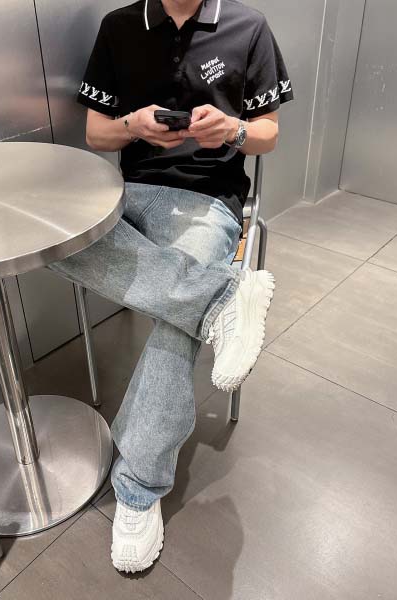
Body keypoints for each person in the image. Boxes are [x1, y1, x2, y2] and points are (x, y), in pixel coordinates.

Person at [49, 0, 294, 574]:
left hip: (210, 201)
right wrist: (132, 126)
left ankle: (138, 489)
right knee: (54, 240)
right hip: (126, 195)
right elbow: (96, 134)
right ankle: (218, 300)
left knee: (172, 323)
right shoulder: (118, 27)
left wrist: (232, 129)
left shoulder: (249, 27)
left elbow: (267, 135)